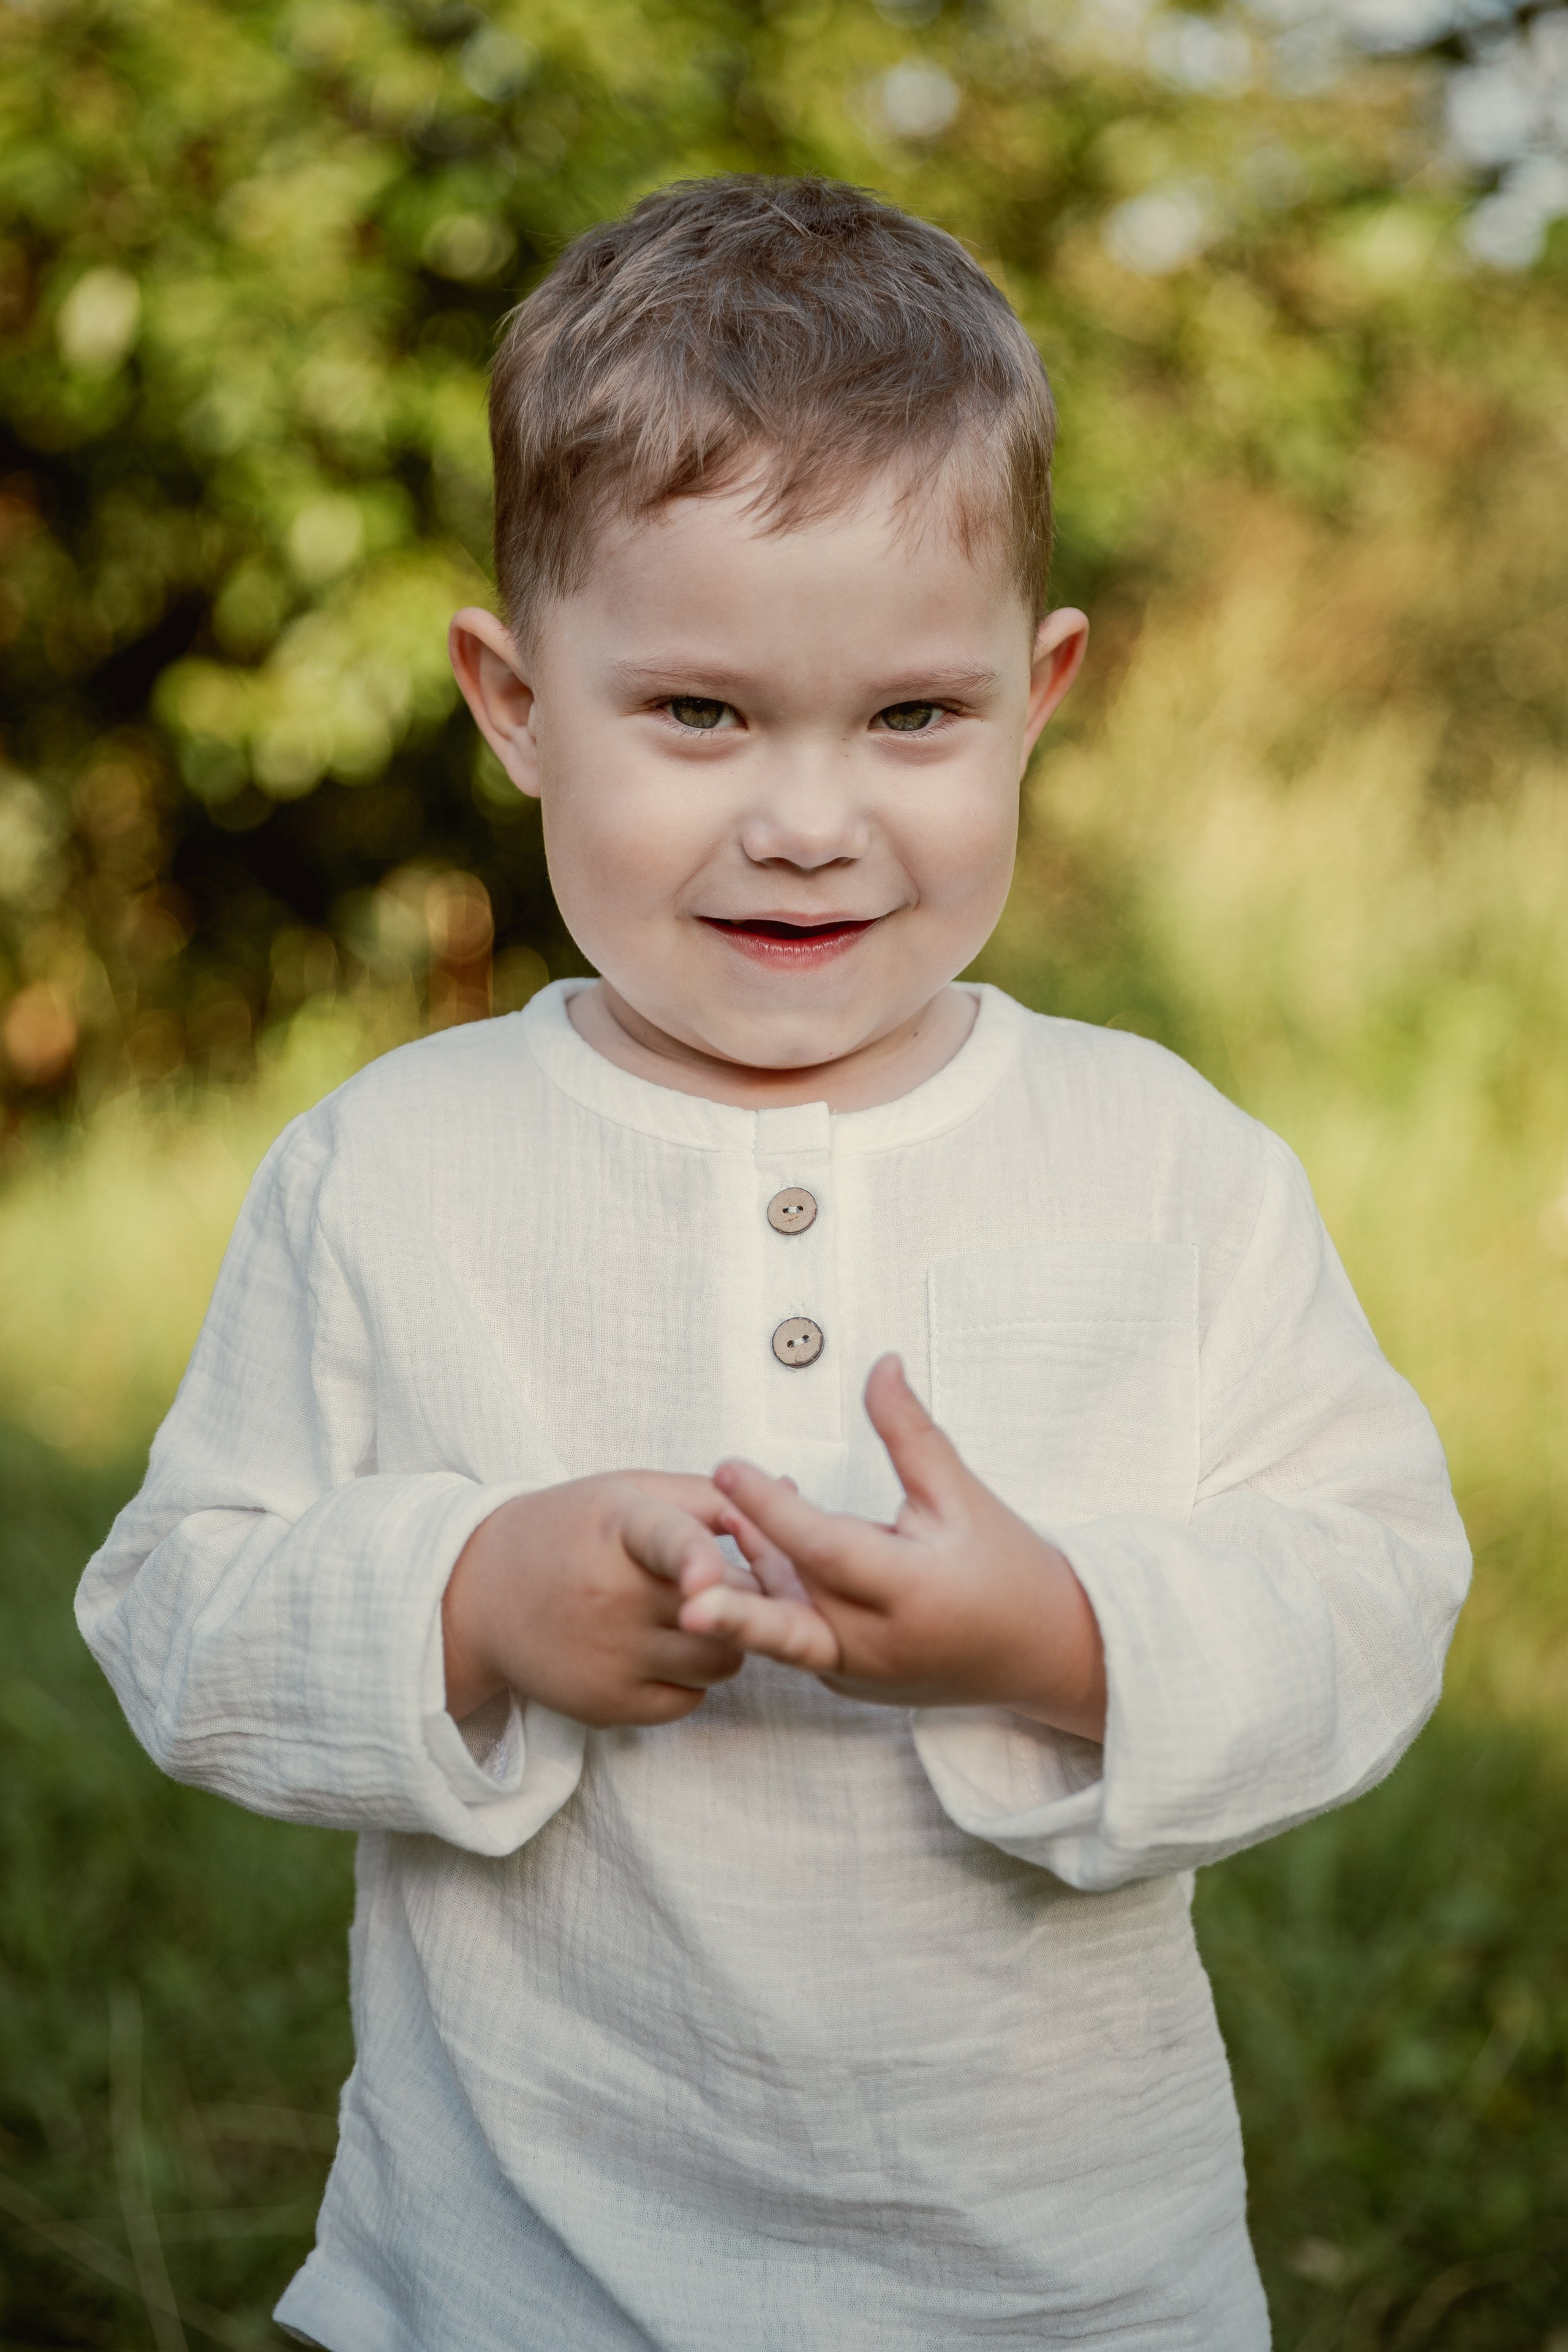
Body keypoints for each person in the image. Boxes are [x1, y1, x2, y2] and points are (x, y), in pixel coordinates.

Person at [76, 174, 1470, 2350]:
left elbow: (1375, 1582)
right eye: (701, 716)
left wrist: (1069, 1635)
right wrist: (473, 1595)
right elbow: (175, 1608)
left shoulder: (1164, 1165)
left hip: (1065, 2288)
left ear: (1041, 689)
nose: (808, 817)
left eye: (912, 719)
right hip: (505, 2280)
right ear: (516, 699)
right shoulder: (394, 1171)